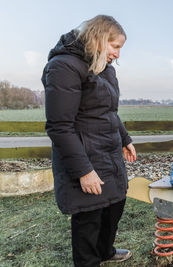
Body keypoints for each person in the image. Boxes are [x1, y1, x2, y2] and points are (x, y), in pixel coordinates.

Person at [41, 15, 136, 267]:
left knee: (114, 206)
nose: (117, 54)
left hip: (108, 151)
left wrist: (125, 138)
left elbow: (109, 112)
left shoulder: (104, 68)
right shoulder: (64, 66)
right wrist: (84, 171)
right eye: (115, 46)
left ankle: (105, 251)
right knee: (89, 216)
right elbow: (59, 126)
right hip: (84, 154)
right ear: (98, 38)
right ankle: (88, 261)